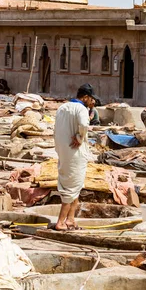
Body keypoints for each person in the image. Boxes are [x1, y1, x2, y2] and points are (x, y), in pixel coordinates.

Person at [53, 83, 99, 231]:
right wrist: (79, 137)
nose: (92, 102)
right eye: (91, 99)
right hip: (75, 152)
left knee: (75, 185)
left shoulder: (62, 108)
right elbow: (84, 125)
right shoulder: (81, 109)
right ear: (85, 97)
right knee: (71, 186)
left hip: (63, 150)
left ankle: (71, 219)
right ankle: (61, 222)